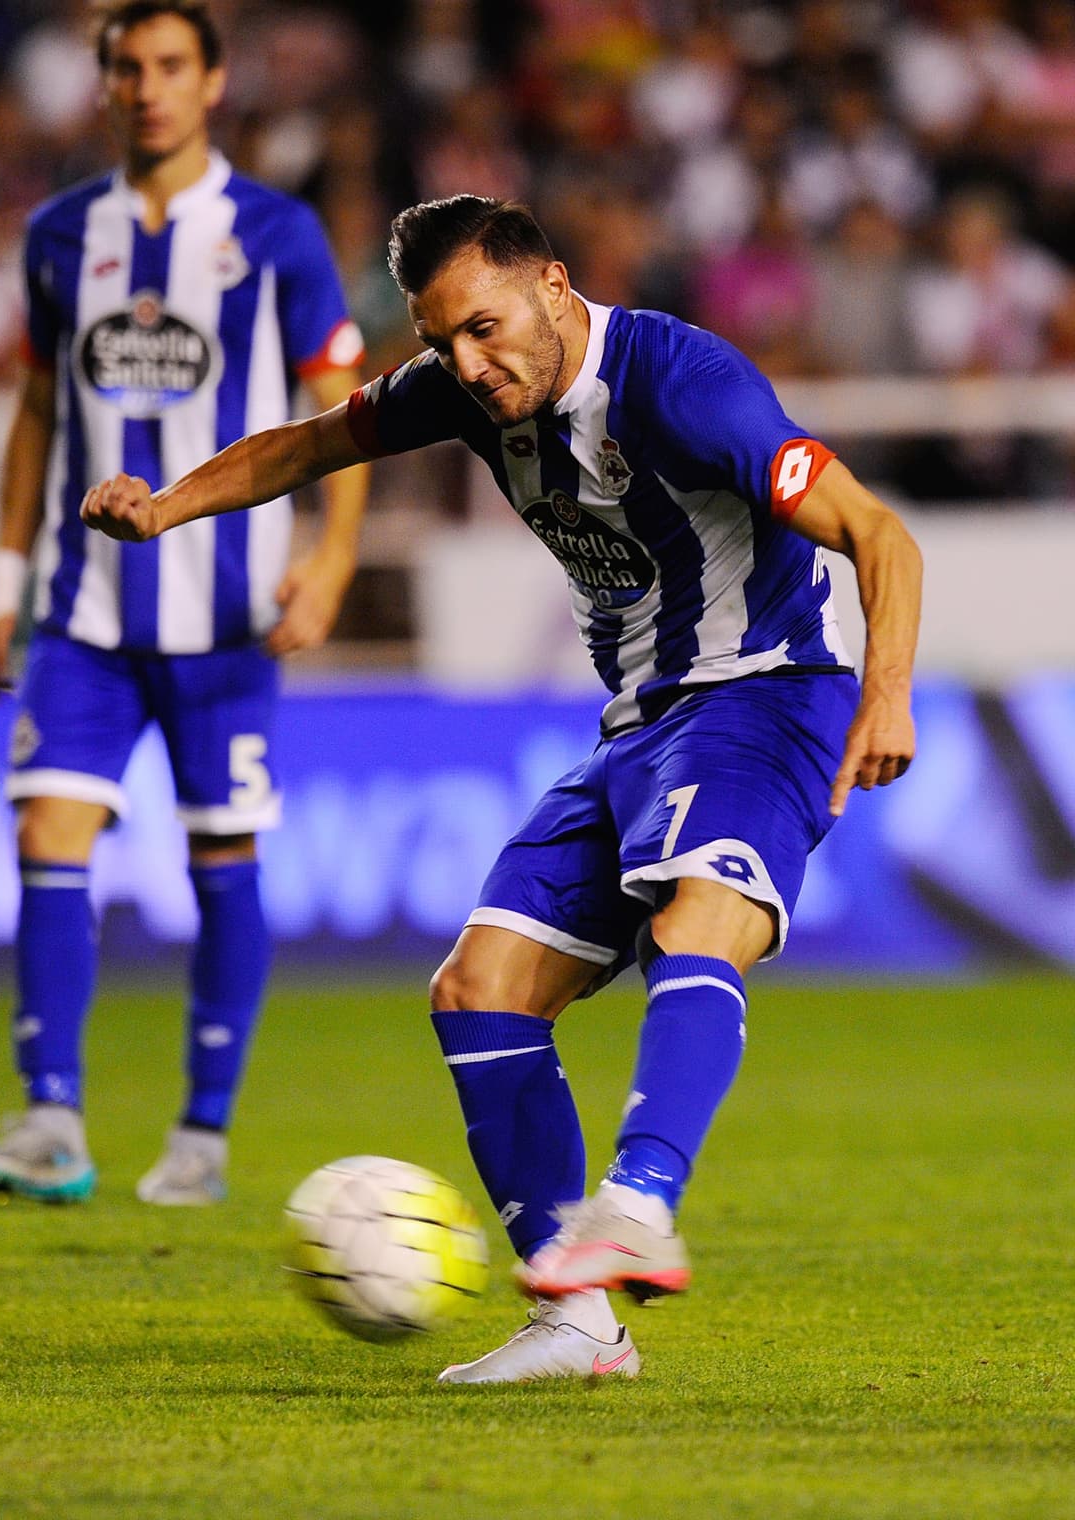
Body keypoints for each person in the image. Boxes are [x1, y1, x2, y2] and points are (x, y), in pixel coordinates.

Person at [81, 194, 921, 1380]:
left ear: (553, 286)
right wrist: (164, 506)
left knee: (699, 914)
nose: (467, 366)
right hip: (638, 721)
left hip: (769, 692)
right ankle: (578, 1323)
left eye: (482, 327)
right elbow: (304, 443)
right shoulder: (462, 387)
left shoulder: (681, 382)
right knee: (476, 988)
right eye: (441, 343)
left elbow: (880, 533)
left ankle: (635, 1203)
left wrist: (886, 695)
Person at [0, 0, 367, 1206]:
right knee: (45, 834)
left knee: (221, 853)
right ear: (103, 84)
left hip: (226, 616)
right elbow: (36, 411)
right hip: (83, 614)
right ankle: (50, 1121)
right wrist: (1, 582)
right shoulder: (57, 234)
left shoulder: (275, 235)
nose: (149, 87)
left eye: (171, 65)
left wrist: (332, 558)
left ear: (214, 80)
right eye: (128, 67)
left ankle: (201, 1130)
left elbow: (339, 408)